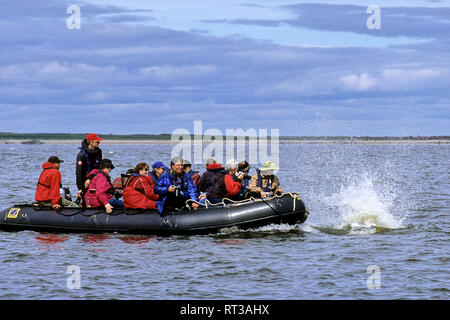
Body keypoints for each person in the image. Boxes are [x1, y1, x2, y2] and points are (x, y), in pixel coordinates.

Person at [76, 133, 103, 203]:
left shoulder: (98, 152)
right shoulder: (81, 155)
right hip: (85, 181)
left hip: (95, 179)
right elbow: (79, 172)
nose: (99, 144)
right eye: (97, 142)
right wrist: (80, 188)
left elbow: (99, 167)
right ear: (91, 142)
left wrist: (91, 178)